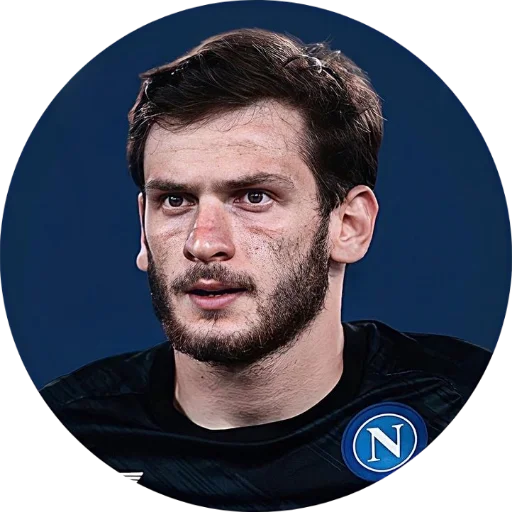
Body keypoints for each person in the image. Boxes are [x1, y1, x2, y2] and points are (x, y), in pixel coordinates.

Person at [39, 28, 491, 510]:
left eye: (254, 197)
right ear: (142, 229)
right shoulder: (79, 424)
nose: (203, 243)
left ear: (349, 226)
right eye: (174, 200)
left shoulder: (448, 400)